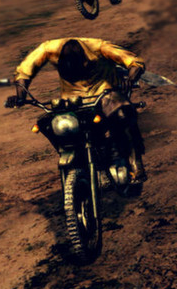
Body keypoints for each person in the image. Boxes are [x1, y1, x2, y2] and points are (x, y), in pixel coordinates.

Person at [11, 37, 148, 182]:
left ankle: (135, 162)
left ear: (85, 61)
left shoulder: (100, 47)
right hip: (73, 100)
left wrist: (129, 79)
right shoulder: (48, 48)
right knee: (48, 124)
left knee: (122, 115)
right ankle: (77, 158)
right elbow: (25, 70)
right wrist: (20, 95)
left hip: (105, 94)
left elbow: (135, 62)